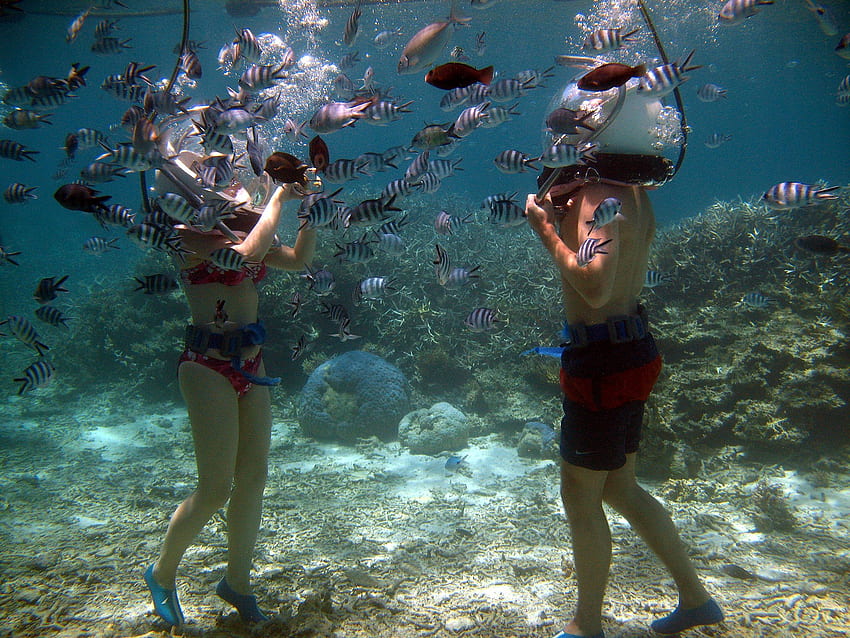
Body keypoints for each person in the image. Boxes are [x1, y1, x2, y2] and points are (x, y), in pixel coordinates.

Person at [524, 62, 723, 638]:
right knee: (621, 486)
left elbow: (594, 285)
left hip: (603, 365)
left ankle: (586, 625)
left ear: (591, 133)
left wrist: (545, 230)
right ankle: (696, 599)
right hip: (633, 351)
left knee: (580, 494)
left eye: (569, 129)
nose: (560, 139)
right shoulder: (634, 192)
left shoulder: (597, 195)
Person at [143, 154, 317, 627]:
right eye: (213, 169)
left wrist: (312, 212)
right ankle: (161, 573)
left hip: (251, 365)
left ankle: (237, 582)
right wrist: (279, 197)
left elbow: (298, 260)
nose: (228, 178)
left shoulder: (242, 226)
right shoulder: (185, 235)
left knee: (254, 477)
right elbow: (243, 257)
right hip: (206, 367)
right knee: (216, 487)